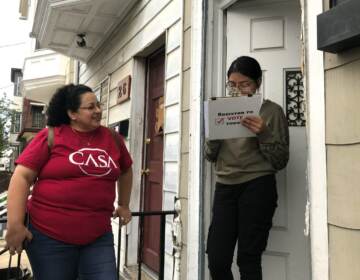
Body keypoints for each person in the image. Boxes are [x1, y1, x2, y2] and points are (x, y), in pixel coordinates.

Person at [5, 84, 133, 280]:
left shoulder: (112, 139)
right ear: (72, 113)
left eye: (98, 105)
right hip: (49, 238)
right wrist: (15, 225)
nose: (98, 111)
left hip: (98, 237)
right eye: (90, 107)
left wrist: (124, 205)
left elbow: (125, 170)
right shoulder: (51, 136)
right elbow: (21, 177)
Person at [205, 56, 289, 280]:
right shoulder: (220, 108)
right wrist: (213, 134)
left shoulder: (272, 111)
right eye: (232, 85)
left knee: (248, 259)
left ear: (258, 83)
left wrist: (264, 133)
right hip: (225, 187)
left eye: (245, 84)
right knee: (217, 259)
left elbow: (281, 161)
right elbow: (209, 155)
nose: (238, 90)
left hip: (258, 186)